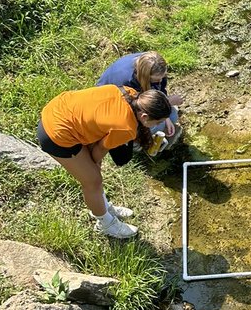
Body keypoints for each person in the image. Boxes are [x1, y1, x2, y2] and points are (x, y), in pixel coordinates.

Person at [37, 85, 172, 238]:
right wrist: (92, 170)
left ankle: (104, 207)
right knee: (93, 181)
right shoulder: (125, 128)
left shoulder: (129, 92)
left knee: (93, 174)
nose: (157, 126)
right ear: (144, 117)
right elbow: (100, 150)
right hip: (56, 132)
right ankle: (105, 224)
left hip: (60, 109)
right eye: (157, 122)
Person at [97, 51, 184, 152]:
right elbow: (133, 111)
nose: (160, 81)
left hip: (137, 102)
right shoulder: (127, 83)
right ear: (146, 77)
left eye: (163, 77)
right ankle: (134, 143)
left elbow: (159, 90)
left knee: (172, 116)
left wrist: (166, 117)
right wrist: (168, 102)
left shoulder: (151, 63)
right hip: (113, 108)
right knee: (157, 125)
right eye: (156, 80)